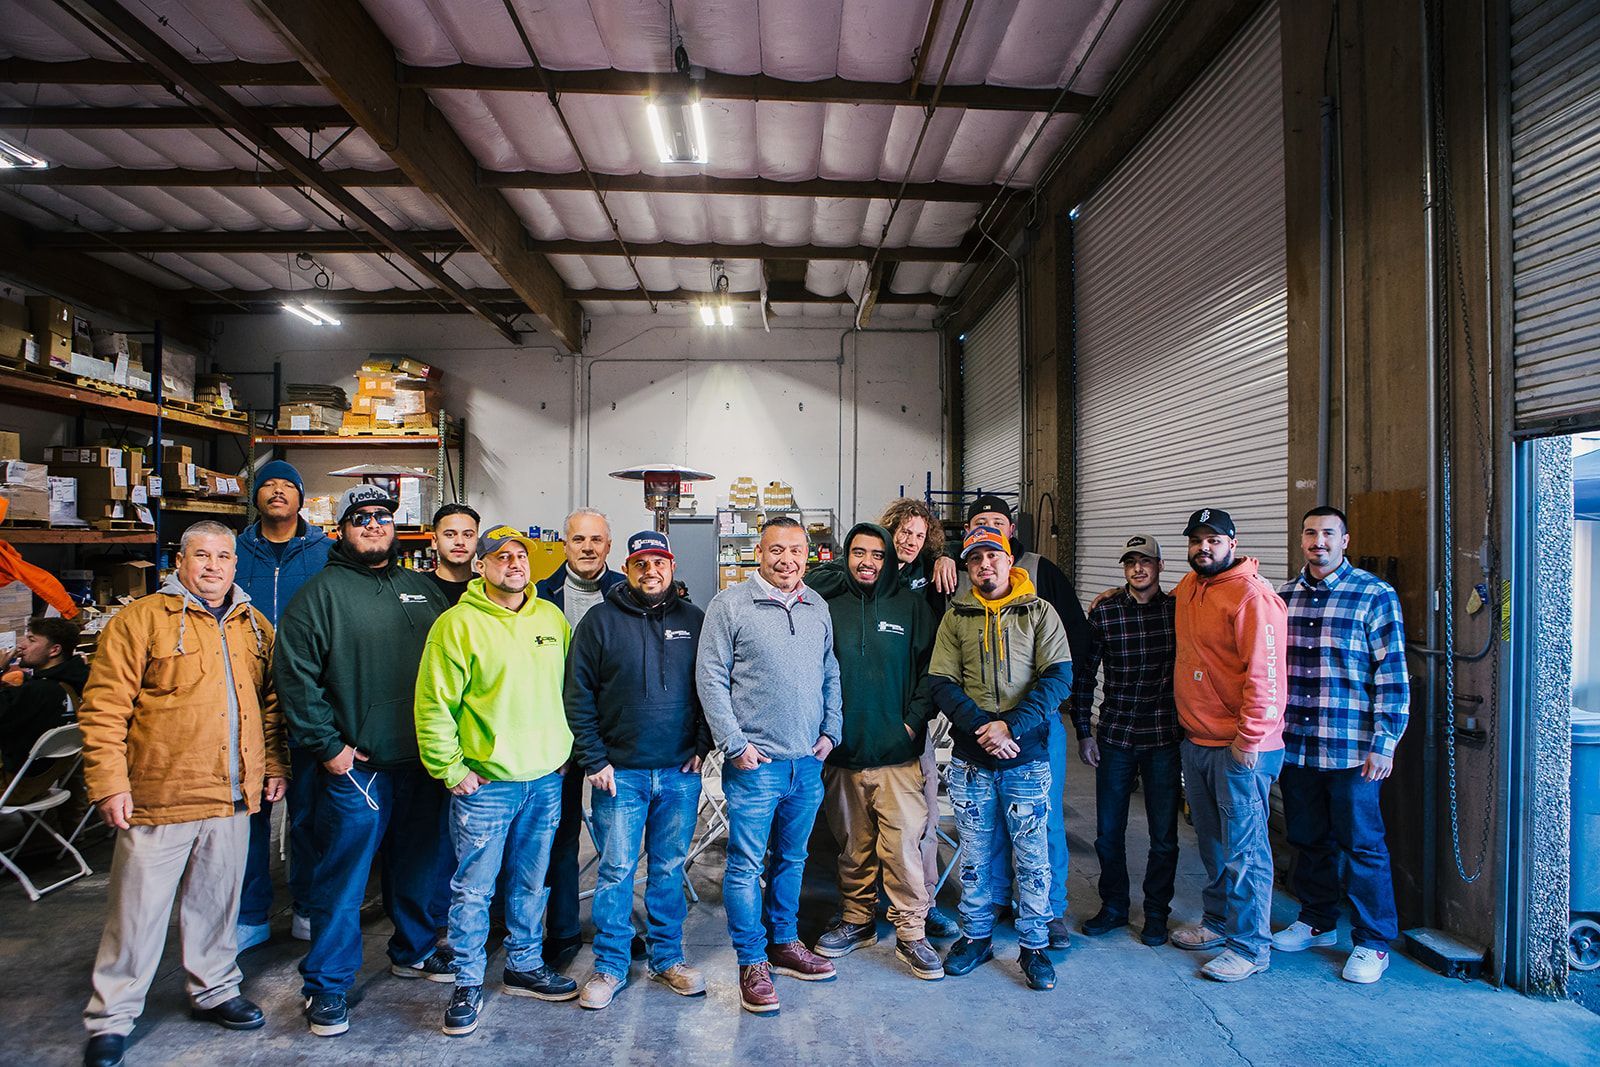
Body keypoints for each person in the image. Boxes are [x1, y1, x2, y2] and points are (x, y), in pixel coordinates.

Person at [77, 521, 287, 1067]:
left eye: (223, 556)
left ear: (236, 564)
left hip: (231, 793)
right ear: (181, 561)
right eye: (202, 555)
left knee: (217, 904)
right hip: (160, 794)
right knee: (137, 914)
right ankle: (112, 1017)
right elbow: (104, 709)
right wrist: (109, 782)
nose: (213, 566)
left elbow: (270, 705)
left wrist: (274, 764)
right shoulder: (141, 620)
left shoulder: (253, 625)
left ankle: (214, 988)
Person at [274, 484, 454, 1038]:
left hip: (421, 762)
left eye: (382, 517)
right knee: (344, 877)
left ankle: (414, 950)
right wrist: (329, 747)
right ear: (342, 530)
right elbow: (295, 676)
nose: (373, 524)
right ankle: (327, 984)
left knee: (420, 864)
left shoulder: (422, 589)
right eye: (361, 518)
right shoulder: (319, 595)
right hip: (359, 768)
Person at [414, 525, 578, 1036]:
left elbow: (570, 690)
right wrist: (450, 769)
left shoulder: (551, 618)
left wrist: (563, 752)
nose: (513, 564)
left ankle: (523, 964)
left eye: (520, 556)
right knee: (474, 889)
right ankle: (467, 979)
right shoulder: (456, 625)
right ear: (480, 566)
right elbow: (434, 703)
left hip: (544, 779)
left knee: (531, 881)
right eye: (500, 556)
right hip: (485, 785)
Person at [696, 516, 842, 1014]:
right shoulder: (729, 605)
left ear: (807, 555)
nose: (787, 559)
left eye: (796, 550)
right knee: (745, 866)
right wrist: (734, 744)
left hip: (807, 763)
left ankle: (784, 943)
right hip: (755, 764)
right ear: (759, 553)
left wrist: (831, 730)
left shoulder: (816, 605)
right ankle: (752, 961)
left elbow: (829, 671)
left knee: (793, 859)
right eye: (777, 549)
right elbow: (710, 677)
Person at [564, 531, 711, 1010]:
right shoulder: (599, 621)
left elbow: (712, 686)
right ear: (627, 568)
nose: (651, 571)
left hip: (679, 772)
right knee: (616, 869)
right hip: (619, 774)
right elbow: (577, 694)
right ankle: (610, 965)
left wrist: (703, 744)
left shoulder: (694, 620)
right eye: (641, 563)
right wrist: (594, 758)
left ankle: (668, 959)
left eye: (659, 562)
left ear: (672, 566)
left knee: (668, 868)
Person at [935, 495, 1088, 947]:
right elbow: (942, 680)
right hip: (976, 744)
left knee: (1041, 831)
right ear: (966, 561)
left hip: (1032, 738)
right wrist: (983, 727)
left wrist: (1012, 726)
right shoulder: (957, 614)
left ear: (1009, 554)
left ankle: (1046, 918)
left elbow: (1059, 674)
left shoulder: (1040, 607)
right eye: (975, 556)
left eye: (994, 554)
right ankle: (990, 911)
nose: (985, 564)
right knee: (982, 839)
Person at [806, 498, 957, 937]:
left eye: (919, 535)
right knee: (852, 843)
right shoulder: (829, 601)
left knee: (912, 837)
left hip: (900, 746)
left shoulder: (917, 598)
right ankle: (857, 917)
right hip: (844, 746)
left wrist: (910, 723)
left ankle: (916, 919)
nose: (910, 540)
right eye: (860, 552)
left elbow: (933, 670)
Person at [1271, 506, 1410, 984]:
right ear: (1302, 539)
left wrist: (1385, 742)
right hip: (1297, 745)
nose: (1319, 541)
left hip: (1353, 749)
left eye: (1329, 533)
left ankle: (1373, 942)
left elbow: (1392, 673)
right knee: (1307, 839)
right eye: (1311, 533)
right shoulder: (1283, 597)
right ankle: (1317, 920)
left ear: (1344, 540)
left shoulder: (1374, 594)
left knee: (1363, 845)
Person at [1167, 508, 1288, 983]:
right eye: (1196, 540)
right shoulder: (1190, 587)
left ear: (1232, 544)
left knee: (1246, 851)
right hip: (1197, 739)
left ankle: (1250, 946)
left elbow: (1267, 674)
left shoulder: (1252, 597)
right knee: (1214, 844)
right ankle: (1217, 923)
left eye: (1213, 540)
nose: (1204, 548)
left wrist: (1250, 737)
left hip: (1241, 746)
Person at [234, 459, 332, 951]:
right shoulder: (233, 552)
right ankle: (250, 914)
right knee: (248, 811)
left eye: (286, 486)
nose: (276, 492)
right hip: (244, 701)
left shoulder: (326, 553)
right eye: (267, 485)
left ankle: (308, 906)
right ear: (255, 496)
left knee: (308, 813)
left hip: (307, 698)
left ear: (300, 497)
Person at [1069, 534, 1181, 947]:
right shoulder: (1106, 612)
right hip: (1115, 734)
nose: (1138, 569)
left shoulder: (1179, 611)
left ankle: (1156, 913)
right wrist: (1084, 731)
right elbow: (1085, 675)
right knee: (1108, 832)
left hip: (1163, 737)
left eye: (1145, 561)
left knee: (1163, 836)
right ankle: (1114, 906)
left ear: (1159, 566)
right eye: (1131, 562)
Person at [534, 507, 626, 970]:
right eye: (578, 539)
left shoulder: (627, 591)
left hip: (617, 736)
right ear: (564, 544)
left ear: (608, 545)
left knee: (619, 841)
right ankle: (563, 929)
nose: (587, 548)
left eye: (596, 540)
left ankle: (618, 929)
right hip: (557, 735)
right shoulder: (539, 596)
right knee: (561, 835)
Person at [0, 616, 87, 799]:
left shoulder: (38, 691)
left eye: (31, 640)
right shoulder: (77, 682)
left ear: (54, 650)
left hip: (13, 786)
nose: (21, 645)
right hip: (46, 780)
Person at [428, 503, 480, 606]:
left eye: (468, 535)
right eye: (450, 535)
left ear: (477, 541)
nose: (460, 542)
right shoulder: (419, 586)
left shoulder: (487, 588)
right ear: (435, 541)